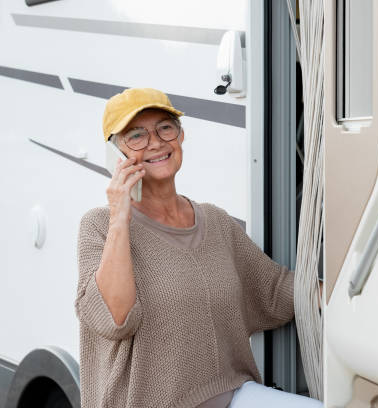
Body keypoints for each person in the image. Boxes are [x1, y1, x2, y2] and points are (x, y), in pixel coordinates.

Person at [75, 88, 323, 407]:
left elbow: (274, 291)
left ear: (180, 137)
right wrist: (119, 216)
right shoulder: (99, 225)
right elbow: (115, 319)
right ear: (116, 154)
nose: (156, 141)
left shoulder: (215, 221)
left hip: (232, 396)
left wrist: (346, 291)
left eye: (166, 127)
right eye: (136, 135)